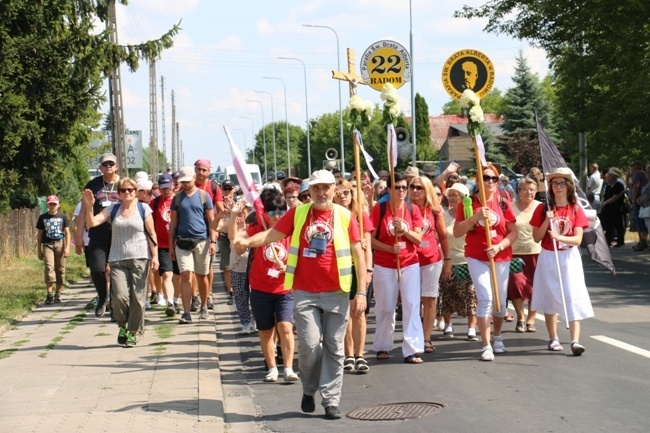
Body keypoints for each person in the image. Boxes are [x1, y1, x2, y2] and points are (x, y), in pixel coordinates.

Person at [233, 169, 367, 420]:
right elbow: (271, 235)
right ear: (310, 192)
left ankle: (330, 400)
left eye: (325, 187)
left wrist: (360, 291)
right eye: (316, 188)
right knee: (309, 345)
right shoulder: (298, 213)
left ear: (333, 190)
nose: (321, 192)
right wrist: (247, 242)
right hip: (305, 292)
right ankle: (308, 389)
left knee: (335, 348)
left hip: (337, 292)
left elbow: (359, 254)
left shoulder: (345, 216)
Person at [231, 192, 299, 383]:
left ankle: (288, 368)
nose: (277, 215)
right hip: (260, 288)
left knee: (285, 327)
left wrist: (288, 267)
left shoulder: (291, 231)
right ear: (265, 213)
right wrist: (234, 218)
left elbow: (301, 256)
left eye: (281, 211)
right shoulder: (257, 229)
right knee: (266, 330)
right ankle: (272, 368)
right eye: (272, 211)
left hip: (284, 288)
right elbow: (238, 245)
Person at [83, 178, 159, 347]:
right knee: (118, 297)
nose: (127, 193)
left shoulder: (143, 208)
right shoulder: (113, 208)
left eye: (130, 190)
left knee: (138, 298)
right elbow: (92, 223)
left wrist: (155, 257)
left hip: (140, 257)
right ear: (118, 193)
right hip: (117, 258)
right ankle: (122, 325)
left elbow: (152, 234)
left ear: (135, 191)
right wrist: (89, 206)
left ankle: (133, 332)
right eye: (123, 190)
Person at [453, 164, 518, 361]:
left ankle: (497, 336)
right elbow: (457, 231)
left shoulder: (503, 202)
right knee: (485, 298)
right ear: (478, 180)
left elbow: (513, 232)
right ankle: (486, 344)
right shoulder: (468, 202)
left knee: (499, 302)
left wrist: (499, 247)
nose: (490, 182)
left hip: (500, 256)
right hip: (476, 256)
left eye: (494, 179)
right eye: (486, 178)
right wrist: (476, 217)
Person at [530, 167, 594, 355]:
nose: (557, 187)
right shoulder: (543, 209)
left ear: (568, 186)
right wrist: (546, 222)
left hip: (569, 256)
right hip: (549, 255)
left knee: (572, 295)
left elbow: (578, 240)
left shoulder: (575, 209)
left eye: (561, 183)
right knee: (551, 296)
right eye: (554, 183)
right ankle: (553, 337)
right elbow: (536, 237)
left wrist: (560, 238)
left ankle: (575, 340)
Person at [371, 172, 424, 364]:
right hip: (385, 264)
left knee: (411, 304)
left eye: (404, 187)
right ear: (389, 189)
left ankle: (412, 349)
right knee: (385, 307)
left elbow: (419, 239)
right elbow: (370, 239)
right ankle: (383, 346)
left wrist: (404, 230)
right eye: (398, 187)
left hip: (409, 263)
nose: (402, 191)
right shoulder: (380, 209)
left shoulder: (413, 209)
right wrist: (388, 248)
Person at [333, 179, 373, 374]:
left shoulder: (361, 216)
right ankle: (348, 354)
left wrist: (368, 271)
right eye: (339, 193)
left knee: (359, 312)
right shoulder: (330, 216)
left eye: (346, 193)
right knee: (345, 315)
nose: (343, 196)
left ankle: (360, 355)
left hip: (357, 270)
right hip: (339, 270)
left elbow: (368, 248)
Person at [168, 166, 217, 324]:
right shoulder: (177, 198)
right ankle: (186, 312)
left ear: (194, 178)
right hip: (182, 242)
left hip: (202, 241)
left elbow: (211, 221)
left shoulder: (204, 196)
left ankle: (203, 306)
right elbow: (173, 224)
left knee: (201, 276)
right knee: (185, 275)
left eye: (188, 181)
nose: (185, 184)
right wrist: (170, 246)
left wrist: (213, 241)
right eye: (182, 182)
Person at [407, 176, 450, 353]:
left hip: (432, 259)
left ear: (427, 190)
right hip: (409, 260)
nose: (415, 190)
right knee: (411, 300)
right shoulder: (404, 209)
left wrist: (447, 261)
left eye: (419, 187)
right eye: (413, 187)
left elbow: (443, 236)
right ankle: (413, 336)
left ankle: (426, 338)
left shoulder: (434, 210)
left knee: (429, 298)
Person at [75, 153, 120, 317]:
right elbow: (83, 212)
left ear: (116, 166)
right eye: (105, 164)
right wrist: (78, 236)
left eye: (111, 163)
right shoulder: (93, 185)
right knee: (97, 269)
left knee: (116, 271)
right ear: (100, 167)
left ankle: (116, 305)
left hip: (119, 235)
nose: (108, 166)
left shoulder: (123, 184)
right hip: (97, 233)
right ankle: (103, 296)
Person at [438, 183, 478, 340]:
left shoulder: (471, 215)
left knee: (471, 294)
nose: (452, 198)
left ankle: (471, 328)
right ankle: (448, 324)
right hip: (448, 259)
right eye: (450, 195)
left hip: (468, 259)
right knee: (448, 292)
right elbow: (440, 237)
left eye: (456, 195)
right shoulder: (443, 215)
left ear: (464, 199)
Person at [508, 177, 541, 333]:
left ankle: (531, 319)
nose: (529, 192)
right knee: (516, 284)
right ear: (519, 191)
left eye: (532, 190)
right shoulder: (510, 207)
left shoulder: (541, 207)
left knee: (536, 287)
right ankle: (521, 316)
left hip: (537, 252)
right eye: (525, 189)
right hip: (515, 254)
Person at [194, 159, 225, 308]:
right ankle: (195, 296)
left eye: (204, 170)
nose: (201, 173)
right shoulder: (188, 185)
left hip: (209, 229)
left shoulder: (213, 187)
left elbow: (220, 208)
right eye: (199, 169)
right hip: (192, 230)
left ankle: (208, 293)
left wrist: (218, 226)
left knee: (208, 265)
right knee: (194, 267)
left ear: (209, 172)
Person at [150, 173, 180, 317]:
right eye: (163, 188)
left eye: (168, 187)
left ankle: (176, 299)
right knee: (167, 274)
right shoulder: (155, 203)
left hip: (179, 244)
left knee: (179, 277)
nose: (166, 190)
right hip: (162, 246)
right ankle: (170, 303)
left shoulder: (179, 200)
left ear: (173, 185)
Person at [37, 195, 71, 304]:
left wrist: (67, 248)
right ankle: (49, 294)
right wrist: (39, 249)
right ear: (47, 204)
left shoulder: (63, 217)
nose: (52, 206)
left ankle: (58, 293)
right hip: (47, 244)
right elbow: (39, 234)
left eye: (54, 204)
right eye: (50, 204)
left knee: (60, 269)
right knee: (49, 267)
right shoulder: (43, 217)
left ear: (58, 205)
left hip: (60, 244)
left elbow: (67, 233)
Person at [227, 199, 255, 334]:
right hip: (238, 268)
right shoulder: (232, 224)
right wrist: (232, 216)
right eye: (241, 209)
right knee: (240, 296)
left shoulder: (255, 226)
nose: (243, 212)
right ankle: (245, 322)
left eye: (246, 210)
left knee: (256, 297)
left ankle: (256, 320)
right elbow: (233, 240)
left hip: (255, 269)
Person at [600, 170, 627, 247]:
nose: (607, 179)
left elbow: (615, 197)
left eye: (608, 177)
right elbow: (605, 196)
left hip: (616, 207)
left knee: (618, 224)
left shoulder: (618, 185)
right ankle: (608, 241)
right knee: (608, 225)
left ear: (612, 178)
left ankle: (620, 241)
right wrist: (602, 202)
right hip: (608, 208)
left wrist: (606, 202)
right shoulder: (608, 186)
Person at [629, 161, 649, 251]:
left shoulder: (638, 173)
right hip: (640, 201)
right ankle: (642, 241)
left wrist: (634, 200)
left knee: (640, 222)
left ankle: (643, 241)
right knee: (641, 222)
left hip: (642, 203)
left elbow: (636, 187)